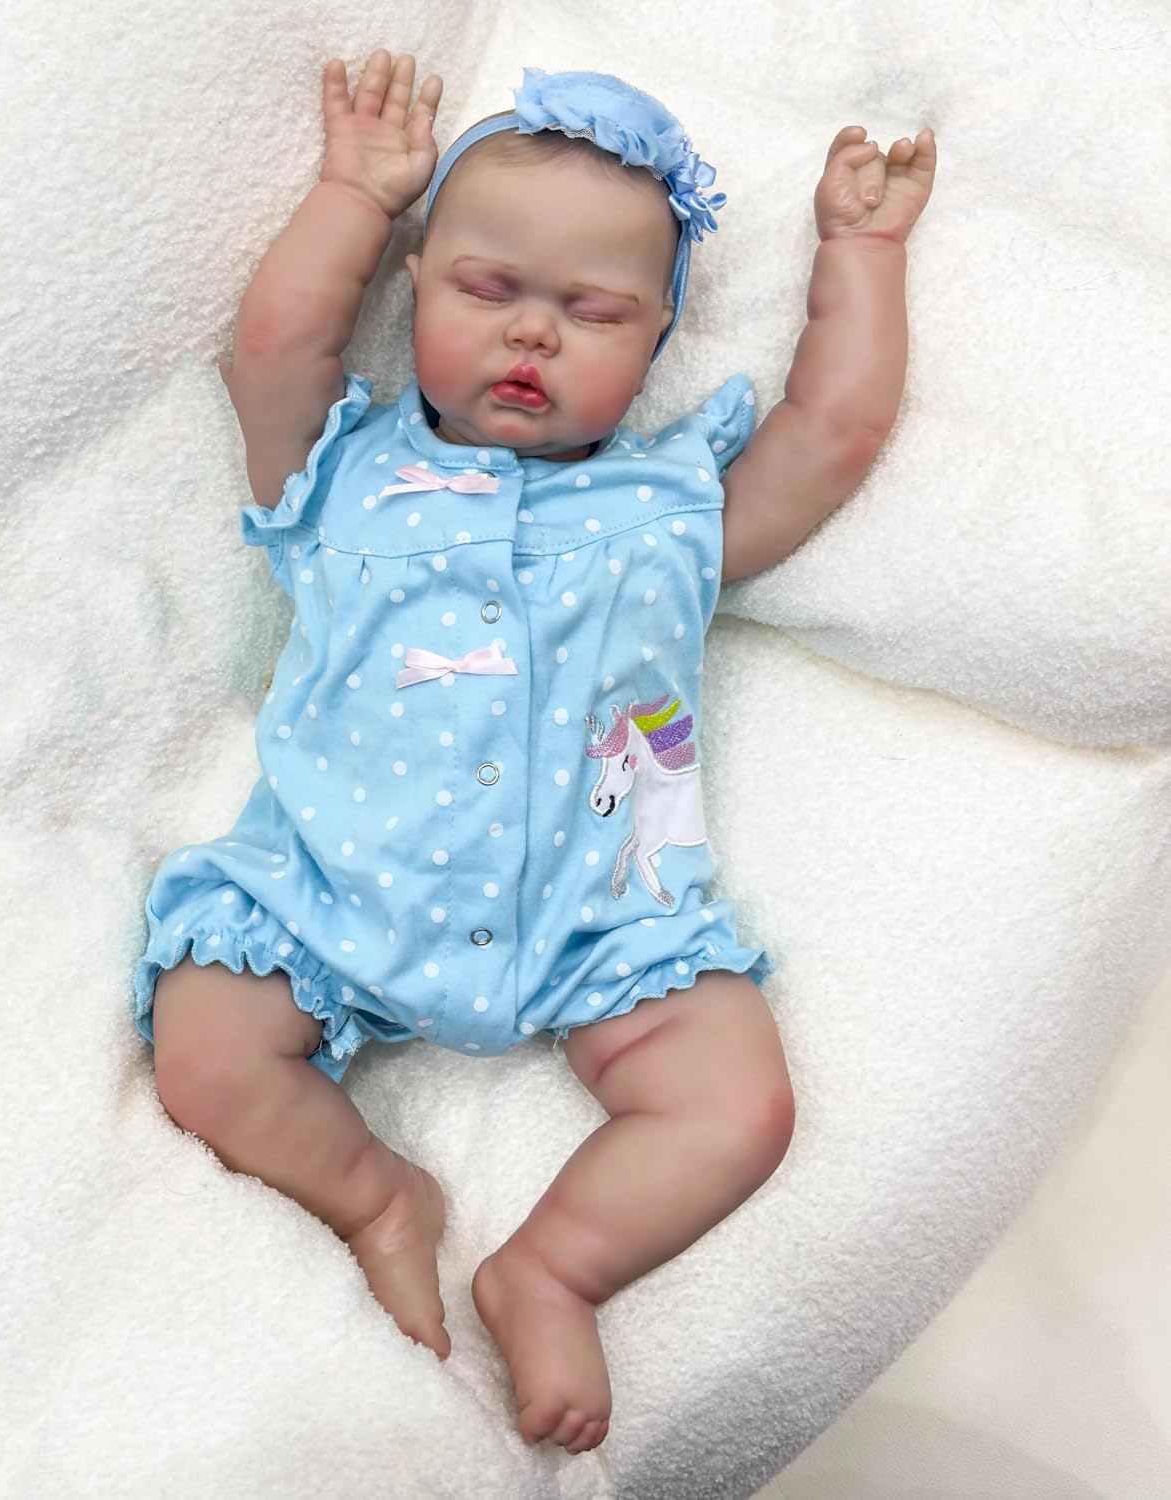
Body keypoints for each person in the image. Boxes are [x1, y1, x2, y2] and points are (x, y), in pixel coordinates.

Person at [135, 51, 936, 1455]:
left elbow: (835, 428)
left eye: (594, 310)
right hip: (331, 896)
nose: (533, 334)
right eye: (487, 288)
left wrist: (861, 257)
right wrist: (352, 195)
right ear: (414, 286)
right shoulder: (342, 474)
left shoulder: (673, 509)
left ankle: (553, 1269)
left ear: (658, 335)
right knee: (204, 1051)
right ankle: (380, 1196)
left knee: (739, 1105)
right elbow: (273, 351)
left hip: (604, 918)